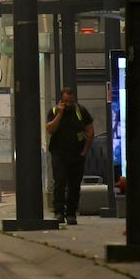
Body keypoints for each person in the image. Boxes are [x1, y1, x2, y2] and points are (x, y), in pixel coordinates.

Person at [46, 87, 94, 225]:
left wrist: (84, 151)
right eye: (65, 101)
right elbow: (50, 129)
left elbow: (90, 132)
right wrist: (60, 114)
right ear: (61, 100)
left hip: (76, 155)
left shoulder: (81, 112)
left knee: (74, 185)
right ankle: (59, 212)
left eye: (70, 101)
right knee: (59, 183)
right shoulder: (54, 111)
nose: (67, 104)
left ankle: (71, 213)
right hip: (59, 154)